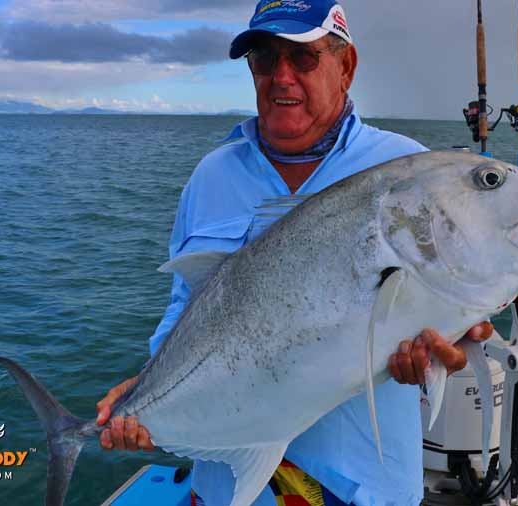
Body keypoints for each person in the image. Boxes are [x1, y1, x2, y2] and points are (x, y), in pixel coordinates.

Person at [96, 1, 493, 505]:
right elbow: (186, 305)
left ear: (345, 66)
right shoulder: (212, 177)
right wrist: (149, 390)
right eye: (264, 58)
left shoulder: (405, 169)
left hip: (362, 487)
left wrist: (449, 352)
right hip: (228, 484)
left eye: (303, 57)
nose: (281, 76)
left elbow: (453, 302)